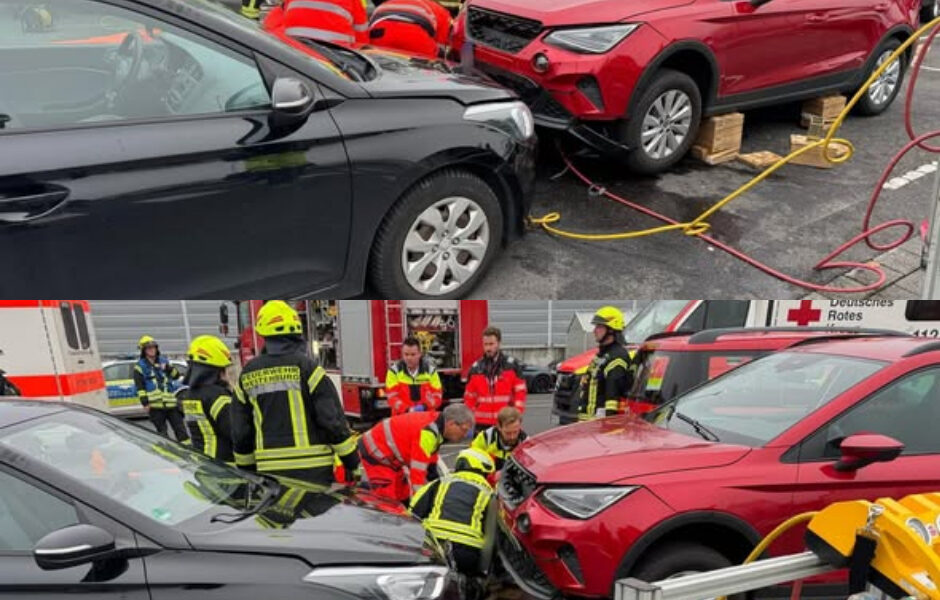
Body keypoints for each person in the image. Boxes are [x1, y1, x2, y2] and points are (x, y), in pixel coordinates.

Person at [232, 300, 360, 487]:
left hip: (270, 472)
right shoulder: (309, 369)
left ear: (263, 333)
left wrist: (247, 470)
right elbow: (332, 421)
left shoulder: (247, 374)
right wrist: (351, 462)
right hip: (314, 470)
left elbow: (241, 430)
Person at [410, 448, 495, 583]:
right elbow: (492, 531)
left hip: (434, 546)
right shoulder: (489, 493)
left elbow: (414, 512)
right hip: (468, 553)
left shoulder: (439, 483)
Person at [359, 403, 474, 503]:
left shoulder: (436, 427)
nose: (464, 435)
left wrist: (437, 487)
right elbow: (417, 475)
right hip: (376, 453)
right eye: (464, 430)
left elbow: (431, 465)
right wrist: (421, 503)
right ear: (451, 424)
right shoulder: (428, 433)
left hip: (389, 456)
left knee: (402, 495)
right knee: (388, 501)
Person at [179, 335, 237, 465]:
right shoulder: (217, 395)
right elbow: (234, 431)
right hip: (224, 464)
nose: (226, 374)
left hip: (201, 461)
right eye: (224, 369)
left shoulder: (189, 395)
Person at [463, 327, 527, 436]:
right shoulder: (475, 369)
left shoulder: (512, 366)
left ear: (499, 343)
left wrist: (516, 415)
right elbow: (469, 398)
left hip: (506, 422)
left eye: (491, 344)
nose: (488, 348)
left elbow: (520, 393)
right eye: (485, 344)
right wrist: (469, 420)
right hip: (481, 424)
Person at [578, 306, 634, 421]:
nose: (594, 331)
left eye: (599, 327)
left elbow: (612, 397)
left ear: (611, 329)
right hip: (589, 423)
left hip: (600, 425)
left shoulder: (617, 358)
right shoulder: (602, 355)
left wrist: (608, 425)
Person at [134, 335, 189, 442]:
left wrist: (168, 368)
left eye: (153, 347)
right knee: (162, 435)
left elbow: (176, 376)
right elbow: (140, 387)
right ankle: (167, 452)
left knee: (181, 431)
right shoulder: (140, 367)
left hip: (171, 404)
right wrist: (145, 403)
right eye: (148, 348)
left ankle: (187, 450)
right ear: (143, 350)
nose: (152, 350)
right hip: (155, 407)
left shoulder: (164, 361)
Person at [385, 336, 443, 416]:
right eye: (406, 354)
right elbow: (391, 397)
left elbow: (437, 396)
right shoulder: (394, 372)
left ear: (420, 354)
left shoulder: (430, 371)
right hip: (402, 417)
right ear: (402, 354)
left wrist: (424, 406)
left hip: (425, 416)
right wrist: (407, 409)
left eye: (413, 354)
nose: (409, 358)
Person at [470, 406, 527, 480]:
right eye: (508, 433)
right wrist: (489, 475)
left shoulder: (526, 444)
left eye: (515, 432)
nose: (512, 437)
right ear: (499, 427)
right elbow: (470, 460)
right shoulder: (485, 438)